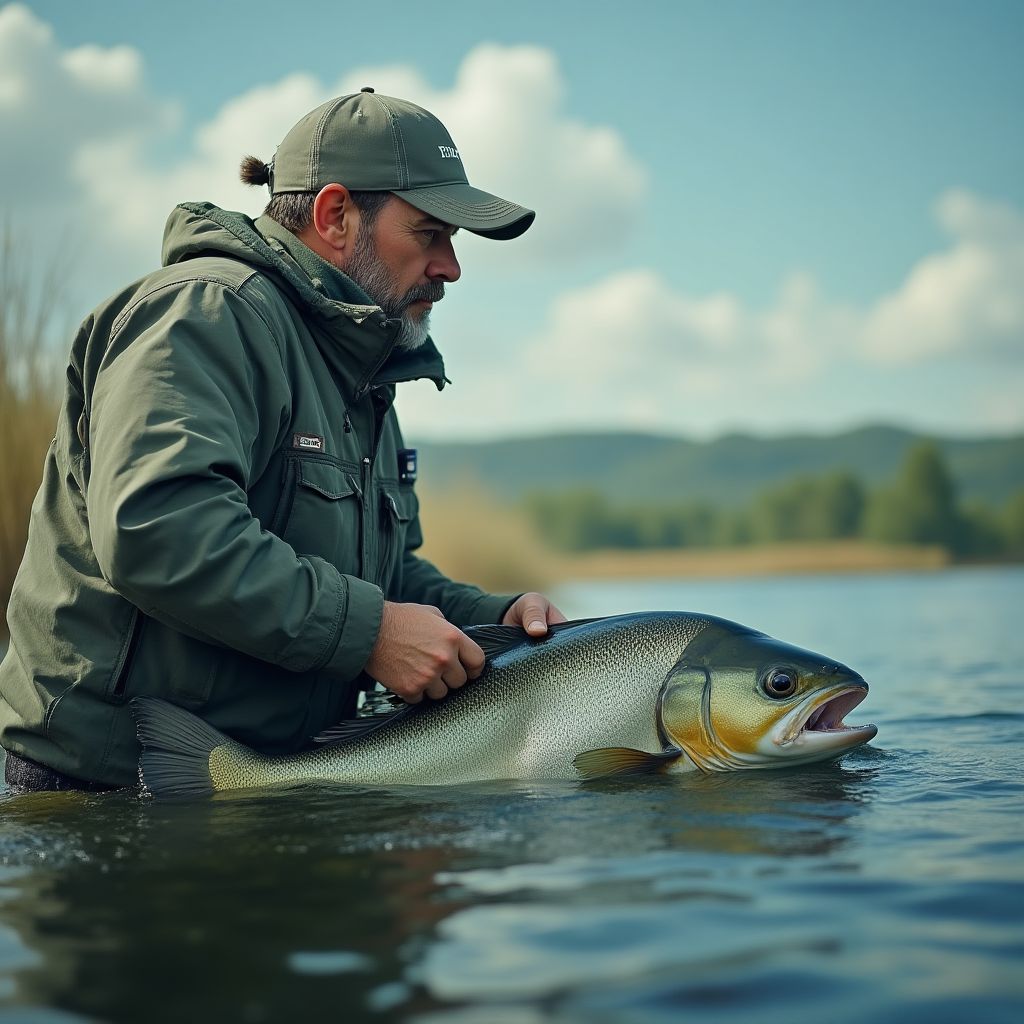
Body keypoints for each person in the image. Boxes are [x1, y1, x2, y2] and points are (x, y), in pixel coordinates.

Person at [0, 88, 565, 792]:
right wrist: (372, 635)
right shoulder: (207, 314)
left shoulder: (359, 375)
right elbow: (158, 530)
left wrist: (492, 621)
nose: (451, 266)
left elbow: (378, 578)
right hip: (111, 792)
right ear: (334, 216)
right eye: (430, 233)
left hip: (255, 786)